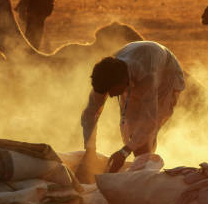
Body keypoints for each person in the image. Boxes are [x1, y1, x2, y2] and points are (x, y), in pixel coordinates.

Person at [79, 41, 185, 178]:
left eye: (111, 91)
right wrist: (90, 150)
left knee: (144, 139)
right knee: (131, 126)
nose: (110, 96)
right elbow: (90, 113)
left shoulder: (148, 77)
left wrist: (124, 152)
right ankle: (138, 170)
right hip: (141, 61)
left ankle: (143, 175)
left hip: (166, 74)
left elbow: (149, 122)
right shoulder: (107, 73)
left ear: (122, 81)